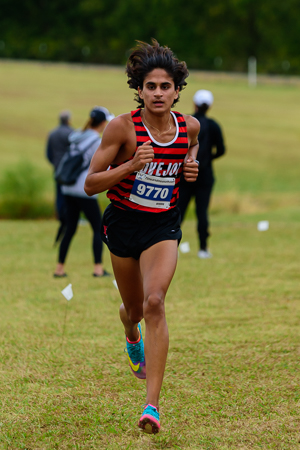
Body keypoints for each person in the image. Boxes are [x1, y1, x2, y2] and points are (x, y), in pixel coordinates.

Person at [84, 39, 200, 434]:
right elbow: (90, 183)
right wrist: (131, 164)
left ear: (176, 90)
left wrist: (191, 165)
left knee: (155, 302)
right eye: (150, 86)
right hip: (123, 226)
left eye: (165, 86)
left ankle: (151, 406)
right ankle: (129, 332)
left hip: (162, 226)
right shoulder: (123, 127)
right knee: (134, 310)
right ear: (139, 89)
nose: (158, 93)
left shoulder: (189, 126)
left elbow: (193, 147)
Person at [53, 106, 114, 278]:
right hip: (83, 189)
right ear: (102, 123)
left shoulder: (78, 135)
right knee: (98, 227)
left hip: (67, 187)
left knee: (70, 227)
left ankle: (59, 268)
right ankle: (98, 268)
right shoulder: (96, 141)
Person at [177, 89, 226, 258]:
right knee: (202, 212)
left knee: (179, 210)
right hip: (205, 175)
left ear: (195, 104)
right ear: (210, 106)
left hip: (185, 173)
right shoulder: (213, 125)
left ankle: (170, 246)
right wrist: (207, 160)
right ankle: (203, 248)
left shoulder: (186, 122)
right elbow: (221, 150)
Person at [46, 110, 74, 243]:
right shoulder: (71, 133)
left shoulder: (52, 133)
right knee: (69, 194)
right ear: (68, 120)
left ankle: (60, 216)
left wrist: (55, 164)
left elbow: (48, 153)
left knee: (59, 193)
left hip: (57, 168)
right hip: (69, 169)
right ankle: (69, 217)